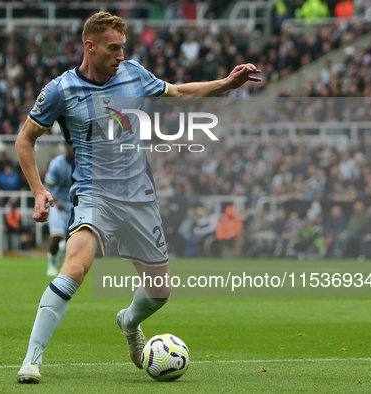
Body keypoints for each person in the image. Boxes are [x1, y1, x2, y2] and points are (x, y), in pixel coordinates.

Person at [15, 11, 260, 383]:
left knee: (160, 292)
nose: (119, 55)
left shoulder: (134, 74)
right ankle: (31, 360)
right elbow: (25, 139)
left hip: (140, 197)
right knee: (76, 267)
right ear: (90, 46)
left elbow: (179, 92)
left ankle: (128, 323)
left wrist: (226, 83)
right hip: (94, 194)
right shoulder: (60, 89)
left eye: (123, 48)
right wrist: (38, 190)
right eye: (112, 48)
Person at [44, 144, 74, 277]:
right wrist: (55, 201)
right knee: (56, 236)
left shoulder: (84, 164)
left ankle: (63, 257)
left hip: (76, 205)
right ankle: (51, 263)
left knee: (73, 240)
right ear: (66, 146)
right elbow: (47, 187)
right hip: (56, 203)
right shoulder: (57, 164)